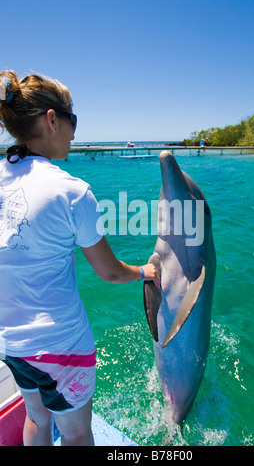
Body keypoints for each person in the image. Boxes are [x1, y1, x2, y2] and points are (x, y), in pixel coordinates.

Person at [0, 70, 160, 446]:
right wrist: (145, 272)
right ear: (52, 120)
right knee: (74, 434)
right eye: (73, 120)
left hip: (11, 343)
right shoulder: (71, 191)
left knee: (37, 421)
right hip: (61, 345)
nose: (75, 134)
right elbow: (109, 272)